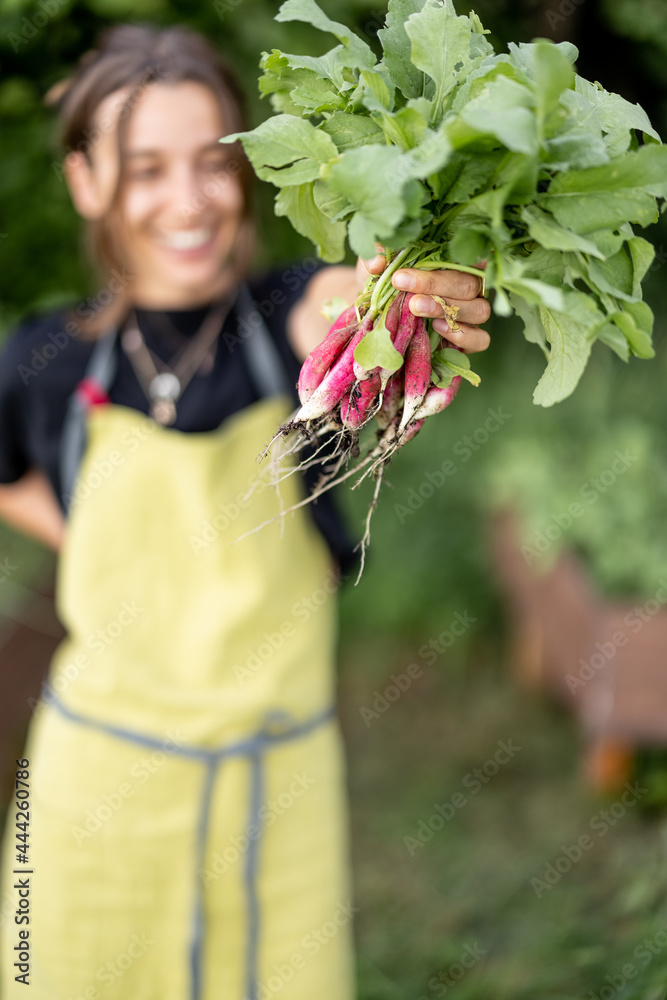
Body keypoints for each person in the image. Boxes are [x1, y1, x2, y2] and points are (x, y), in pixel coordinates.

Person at [0, 23, 491, 1000]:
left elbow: (352, 303)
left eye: (211, 163)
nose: (188, 201)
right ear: (88, 181)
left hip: (274, 792)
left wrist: (417, 289)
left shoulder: (291, 325)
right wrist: (81, 536)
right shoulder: (42, 361)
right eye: (145, 170)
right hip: (92, 793)